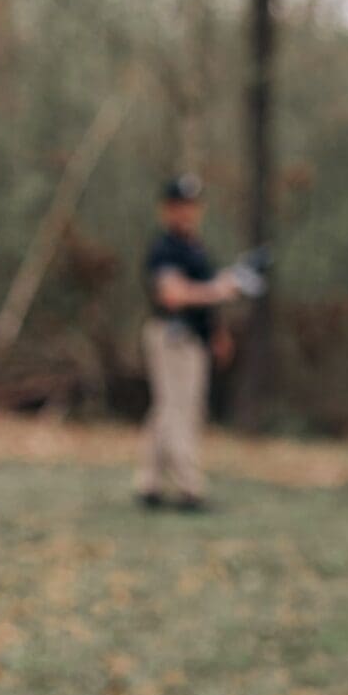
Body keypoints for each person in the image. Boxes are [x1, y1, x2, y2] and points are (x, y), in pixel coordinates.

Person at [134, 175, 240, 511]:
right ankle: (189, 488)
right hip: (171, 337)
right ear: (166, 210)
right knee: (179, 411)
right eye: (179, 206)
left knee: (166, 410)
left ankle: (149, 483)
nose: (186, 213)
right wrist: (219, 289)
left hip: (193, 337)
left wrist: (218, 333)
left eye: (192, 206)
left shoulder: (196, 247)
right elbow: (172, 295)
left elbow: (203, 299)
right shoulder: (165, 248)